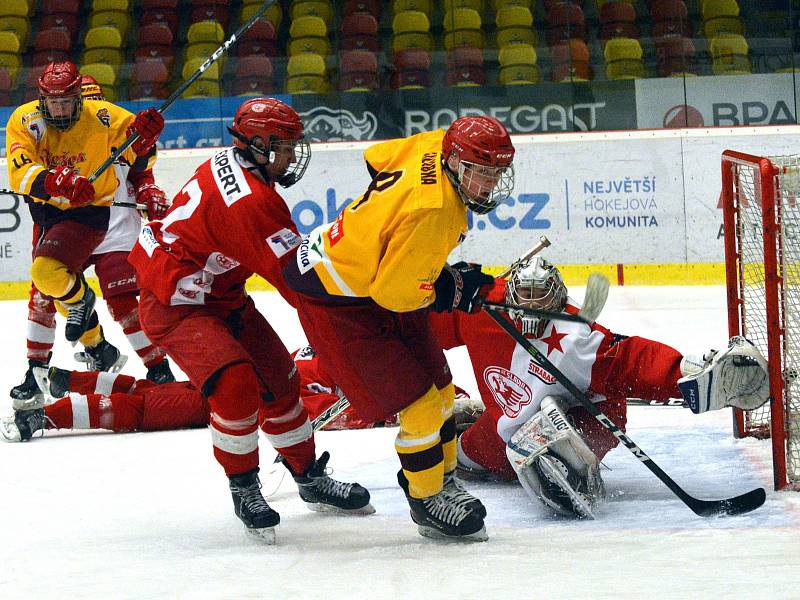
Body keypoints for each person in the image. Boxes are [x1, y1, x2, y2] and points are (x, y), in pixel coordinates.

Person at [127, 97, 372, 543]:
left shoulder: (237, 165)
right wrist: (355, 322)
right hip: (177, 305)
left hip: (219, 295)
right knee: (235, 384)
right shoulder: (251, 203)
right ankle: (244, 487)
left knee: (280, 380)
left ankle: (308, 476)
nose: (293, 156)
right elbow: (297, 281)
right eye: (284, 146)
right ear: (256, 145)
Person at [282, 115, 516, 542]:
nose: (491, 184)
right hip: (336, 298)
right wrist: (447, 287)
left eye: (498, 173)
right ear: (457, 164)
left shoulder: (433, 144)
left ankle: (442, 479)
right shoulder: (436, 212)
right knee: (421, 404)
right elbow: (397, 295)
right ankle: (426, 500)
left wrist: (385, 227)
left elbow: (378, 158)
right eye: (483, 173)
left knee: (444, 390)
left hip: (360, 278)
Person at [430, 255, 770, 519]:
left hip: (587, 414)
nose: (531, 306)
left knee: (551, 436)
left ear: (559, 300)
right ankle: (471, 424)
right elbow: (426, 333)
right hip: (507, 418)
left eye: (540, 298)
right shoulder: (481, 310)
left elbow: (631, 360)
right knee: (469, 457)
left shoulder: (577, 337)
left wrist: (684, 371)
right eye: (524, 296)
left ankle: (576, 471)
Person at [8, 72, 175, 408]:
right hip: (60, 217)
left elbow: (140, 166)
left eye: (93, 100)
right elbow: (25, 169)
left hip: (113, 221)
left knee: (122, 298)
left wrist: (148, 185)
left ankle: (158, 367)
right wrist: (52, 183)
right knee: (45, 293)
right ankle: (75, 355)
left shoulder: (108, 123)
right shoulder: (39, 125)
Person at [0, 346, 395, 442]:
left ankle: (69, 380)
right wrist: (382, 413)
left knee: (147, 390)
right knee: (140, 409)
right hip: (222, 394)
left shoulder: (323, 357)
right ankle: (44, 416)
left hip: (223, 369)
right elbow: (307, 411)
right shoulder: (327, 376)